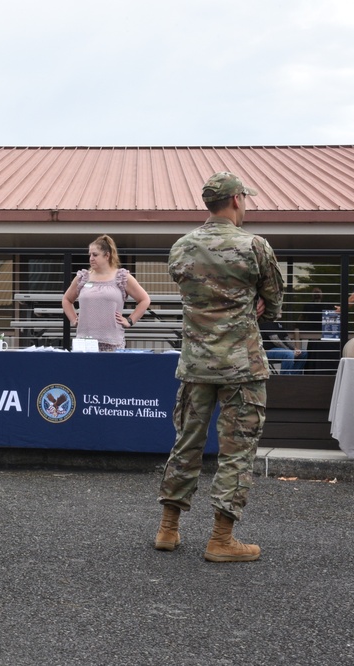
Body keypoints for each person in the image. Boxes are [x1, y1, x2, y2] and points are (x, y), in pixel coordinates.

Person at [155, 172, 283, 562]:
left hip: (195, 364)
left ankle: (168, 529)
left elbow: (187, 288)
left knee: (186, 443)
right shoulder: (254, 246)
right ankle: (222, 539)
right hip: (241, 366)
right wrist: (256, 304)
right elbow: (273, 300)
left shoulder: (182, 247)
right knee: (237, 451)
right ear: (236, 200)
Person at [61, 234, 151, 351]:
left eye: (95, 255)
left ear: (107, 255)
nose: (91, 258)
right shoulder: (82, 277)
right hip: (84, 343)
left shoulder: (122, 277)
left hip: (112, 343)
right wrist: (73, 319)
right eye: (90, 255)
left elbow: (145, 299)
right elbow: (67, 299)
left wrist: (129, 320)